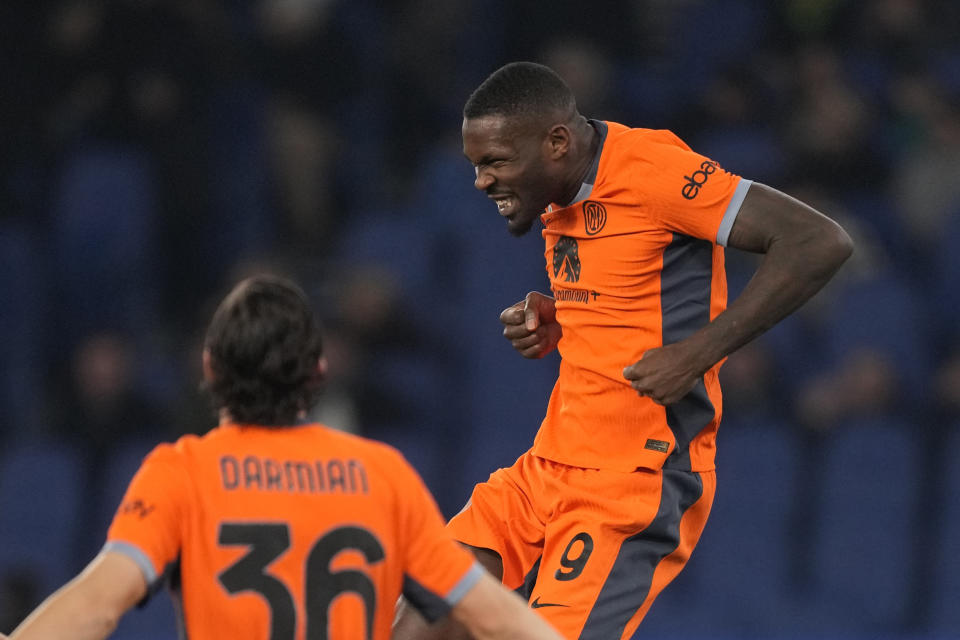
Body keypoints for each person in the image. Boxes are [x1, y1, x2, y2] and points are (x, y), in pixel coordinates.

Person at [393, 61, 854, 640]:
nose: (483, 181)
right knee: (419, 617)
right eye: (476, 165)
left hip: (634, 480)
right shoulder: (561, 186)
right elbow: (629, 284)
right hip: (547, 465)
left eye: (496, 163)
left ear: (556, 142)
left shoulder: (654, 172)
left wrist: (698, 353)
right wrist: (561, 315)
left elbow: (818, 241)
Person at [10, 275, 564, 640]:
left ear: (209, 369)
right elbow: (481, 606)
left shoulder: (182, 472)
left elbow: (101, 603)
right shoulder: (382, 475)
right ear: (318, 372)